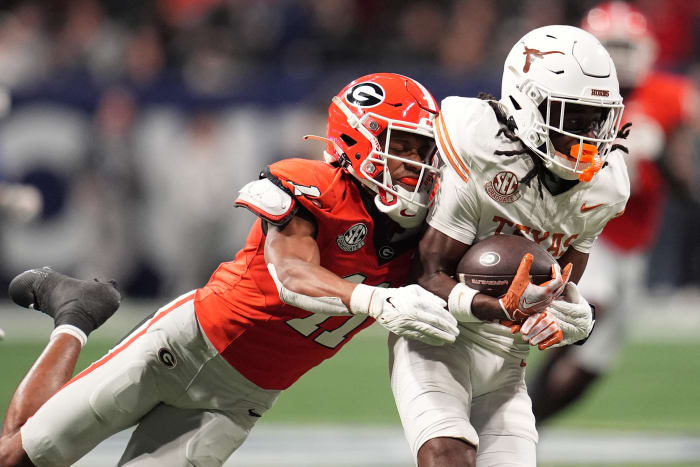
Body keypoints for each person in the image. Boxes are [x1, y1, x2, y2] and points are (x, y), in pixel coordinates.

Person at [0, 72, 459, 467]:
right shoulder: (315, 186)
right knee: (20, 456)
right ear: (357, 141)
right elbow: (291, 275)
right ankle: (77, 316)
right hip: (181, 348)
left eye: (423, 151)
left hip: (239, 403)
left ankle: (76, 313)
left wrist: (516, 303)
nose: (415, 165)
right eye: (401, 147)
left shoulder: (429, 239)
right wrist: (375, 299)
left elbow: (460, 289)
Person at [389, 24, 630, 466]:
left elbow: (563, 285)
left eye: (596, 120)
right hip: (438, 336)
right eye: (570, 118)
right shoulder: (479, 143)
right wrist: (493, 306)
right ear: (525, 103)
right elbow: (425, 276)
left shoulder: (607, 186)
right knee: (447, 453)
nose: (586, 137)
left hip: (507, 359)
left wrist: (571, 320)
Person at [528, 1, 700, 424]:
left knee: (594, 365)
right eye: (611, 47)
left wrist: (658, 156)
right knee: (591, 307)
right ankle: (512, 409)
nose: (620, 58)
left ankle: (529, 427)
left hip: (635, 243)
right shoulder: (570, 94)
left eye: (627, 46)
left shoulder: (670, 95)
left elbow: (686, 187)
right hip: (586, 229)